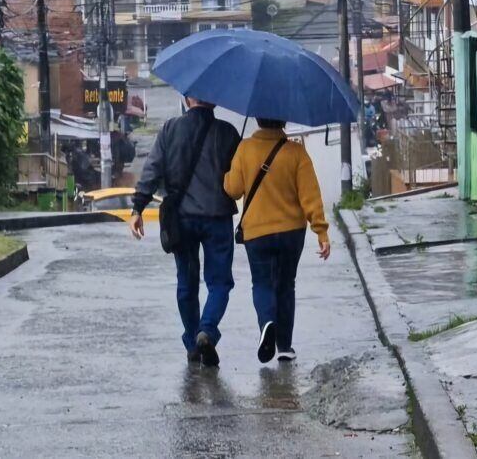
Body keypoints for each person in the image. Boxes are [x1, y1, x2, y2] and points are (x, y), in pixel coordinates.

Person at [130, 96, 241, 367]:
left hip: (182, 218)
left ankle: (193, 341)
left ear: (187, 98)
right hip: (218, 217)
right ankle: (207, 330)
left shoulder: (170, 129)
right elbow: (240, 179)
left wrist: (138, 208)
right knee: (219, 282)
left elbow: (152, 169)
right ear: (215, 100)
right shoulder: (227, 133)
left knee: (186, 283)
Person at [224, 118, 330, 364]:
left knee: (261, 283)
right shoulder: (296, 152)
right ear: (282, 120)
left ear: (258, 119)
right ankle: (284, 346)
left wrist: (229, 172)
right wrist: (321, 232)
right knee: (285, 285)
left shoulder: (245, 149)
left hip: (257, 233)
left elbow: (233, 190)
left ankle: (267, 323)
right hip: (292, 232)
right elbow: (310, 195)